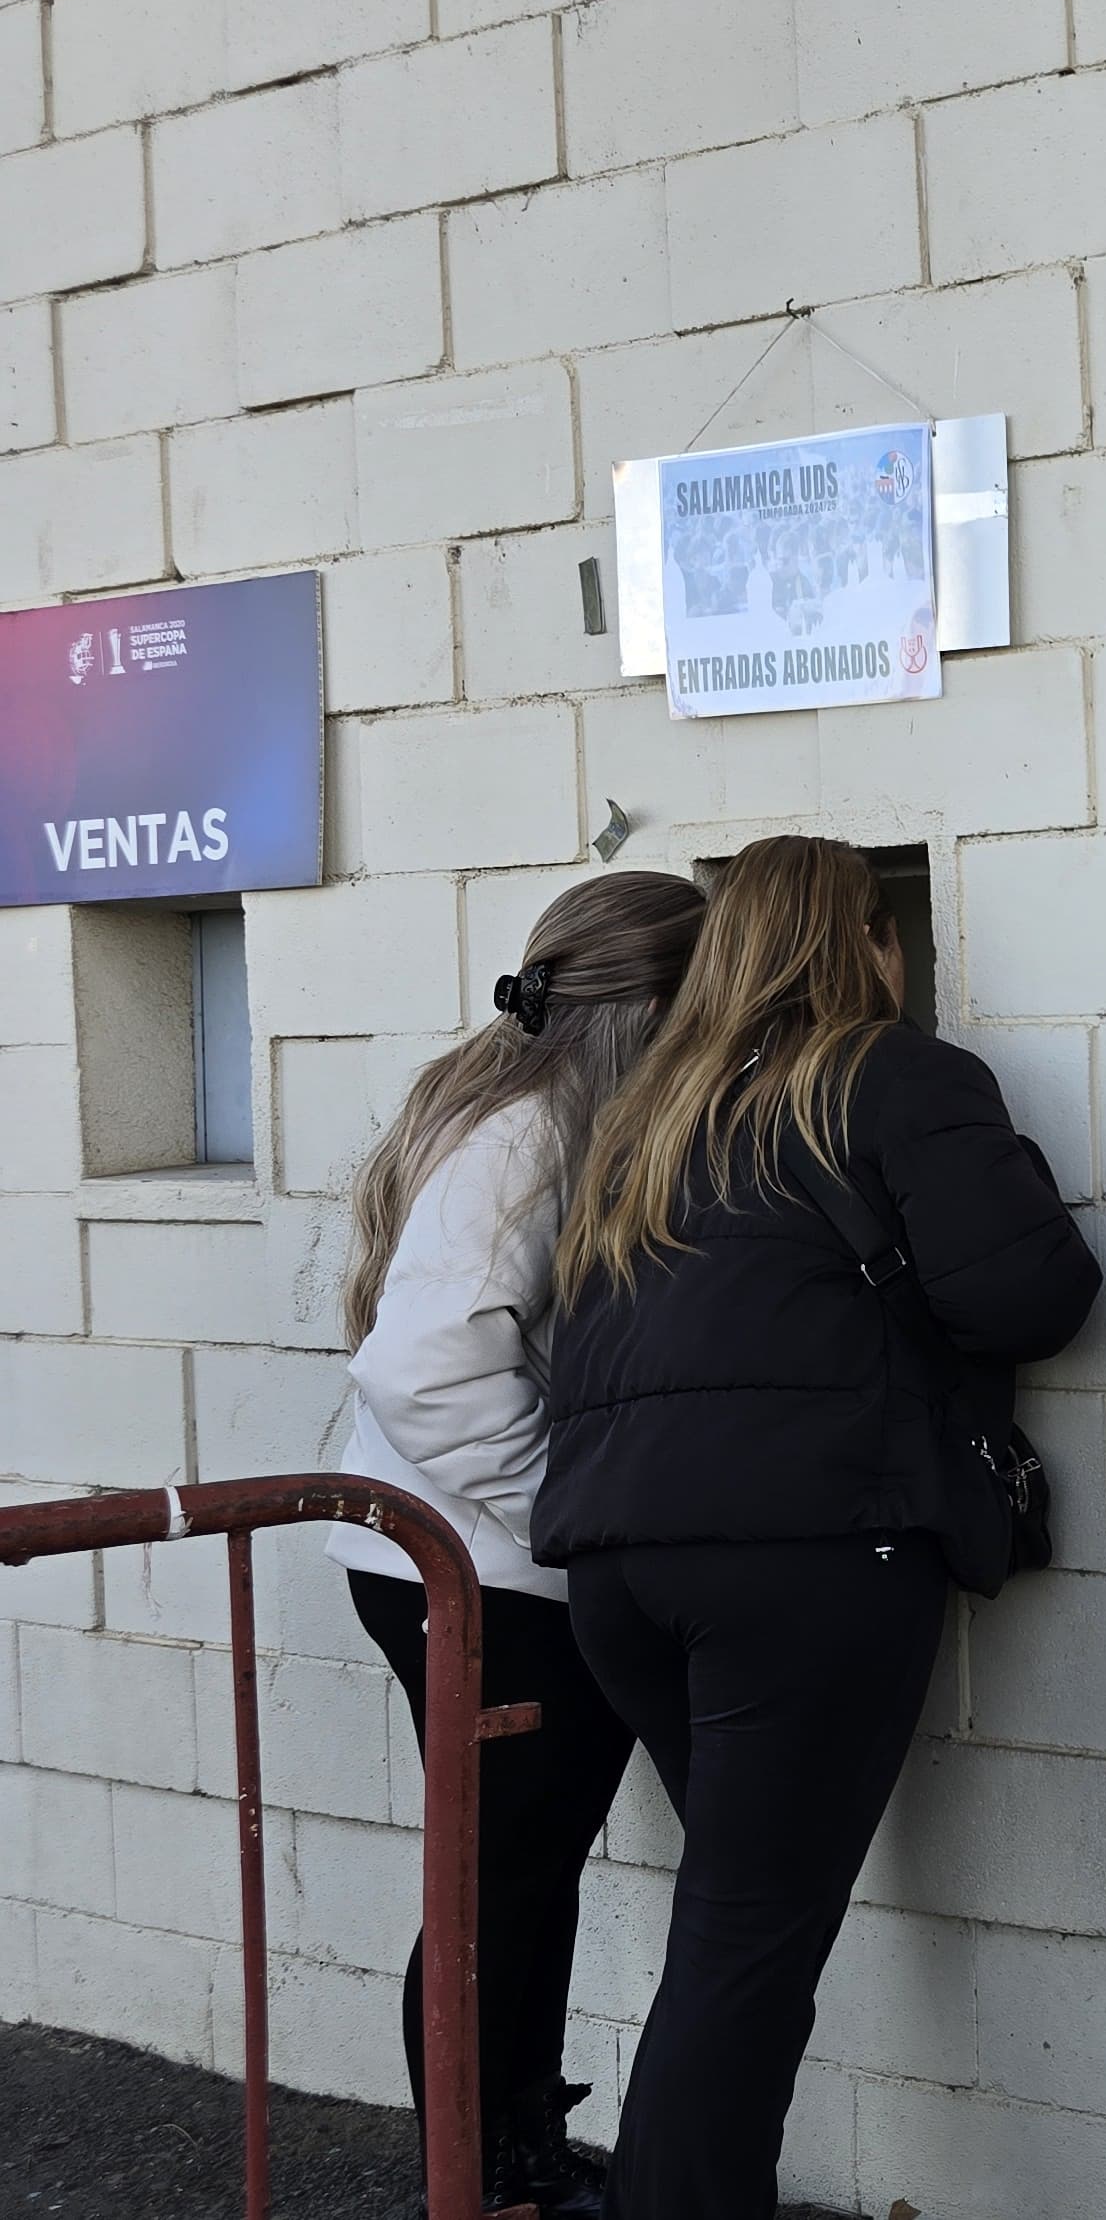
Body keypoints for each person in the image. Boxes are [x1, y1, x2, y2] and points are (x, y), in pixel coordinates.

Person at [533, 836, 1098, 2219]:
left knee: (733, 1925)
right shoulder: (895, 1073)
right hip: (802, 1558)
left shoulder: (649, 1107)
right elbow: (1034, 1293)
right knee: (747, 1943)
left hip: (616, 1569)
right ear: (861, 942)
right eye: (887, 930)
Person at [328, 869, 706, 2220]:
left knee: (517, 1873)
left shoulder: (535, 1106)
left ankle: (508, 2157)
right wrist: (573, 1501)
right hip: (474, 1568)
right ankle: (485, 2175)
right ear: (648, 1009)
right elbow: (422, 1368)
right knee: (502, 1880)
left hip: (470, 1557)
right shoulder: (535, 1130)